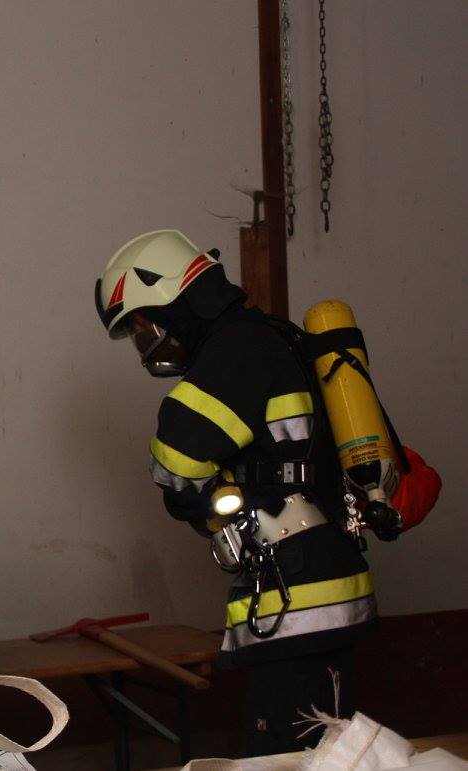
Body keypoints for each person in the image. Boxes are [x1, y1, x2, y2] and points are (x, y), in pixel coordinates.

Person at [95, 229, 380, 757]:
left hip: (297, 597)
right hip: (324, 582)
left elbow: (175, 459)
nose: (146, 342)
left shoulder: (236, 350)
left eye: (142, 325)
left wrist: (209, 499)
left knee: (283, 760)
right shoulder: (274, 337)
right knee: (328, 754)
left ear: (171, 300)